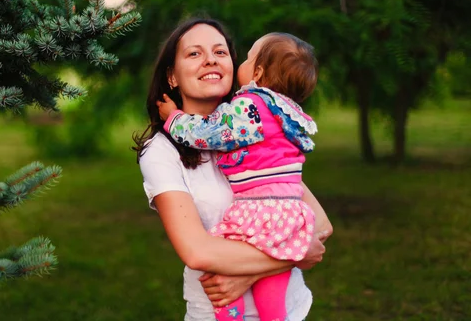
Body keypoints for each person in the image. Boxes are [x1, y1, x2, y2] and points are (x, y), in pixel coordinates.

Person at [133, 19, 332, 321]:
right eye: (194, 54)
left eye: (220, 52)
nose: (210, 59)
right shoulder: (161, 153)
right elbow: (198, 251)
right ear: (172, 77)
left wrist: (245, 276)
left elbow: (320, 228)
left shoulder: (261, 136)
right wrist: (291, 253)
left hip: (290, 311)